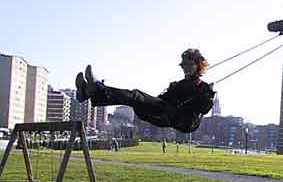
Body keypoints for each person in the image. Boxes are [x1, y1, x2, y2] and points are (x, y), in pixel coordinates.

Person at [75, 48, 215, 134]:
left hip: (184, 121)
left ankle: (97, 89)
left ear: (198, 66)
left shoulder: (203, 88)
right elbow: (161, 100)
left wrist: (208, 97)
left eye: (191, 64)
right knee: (135, 97)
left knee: (136, 96)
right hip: (165, 114)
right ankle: (88, 93)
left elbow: (203, 109)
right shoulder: (177, 86)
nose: (187, 67)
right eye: (185, 64)